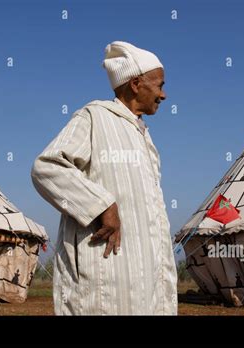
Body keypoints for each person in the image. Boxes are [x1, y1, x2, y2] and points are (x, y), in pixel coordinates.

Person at [31, 41, 177, 315]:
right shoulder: (94, 117)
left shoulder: (143, 136)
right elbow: (47, 167)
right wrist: (101, 205)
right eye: (159, 85)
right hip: (106, 279)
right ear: (136, 84)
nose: (164, 95)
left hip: (145, 283)